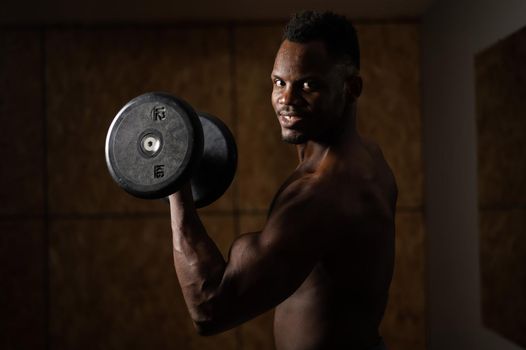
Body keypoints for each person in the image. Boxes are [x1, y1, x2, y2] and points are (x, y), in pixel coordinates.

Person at [168, 10, 397, 350]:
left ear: (352, 88)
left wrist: (174, 179)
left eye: (309, 84)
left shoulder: (322, 195)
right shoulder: (368, 157)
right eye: (279, 82)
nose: (286, 100)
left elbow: (209, 309)